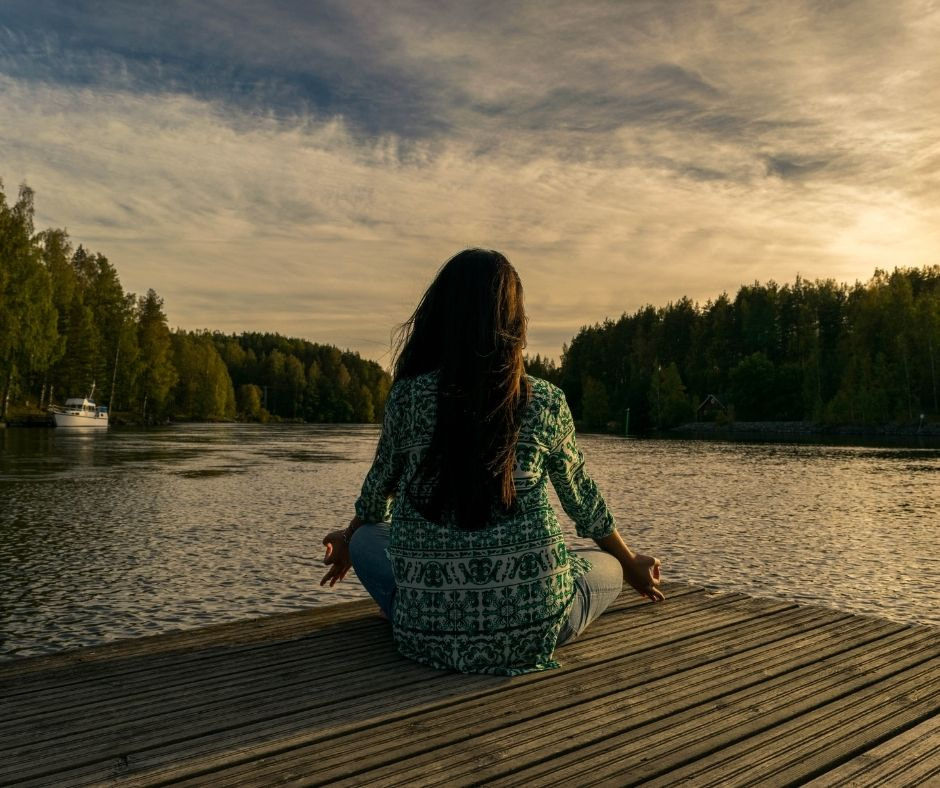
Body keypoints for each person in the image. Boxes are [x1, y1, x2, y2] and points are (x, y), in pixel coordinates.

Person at [321, 249, 663, 675]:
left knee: (368, 538)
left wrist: (349, 538)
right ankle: (498, 606)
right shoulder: (546, 401)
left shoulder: (407, 398)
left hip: (426, 635)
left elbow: (376, 497)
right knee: (606, 564)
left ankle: (419, 610)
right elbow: (584, 504)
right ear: (514, 323)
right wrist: (631, 565)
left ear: (441, 317)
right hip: (536, 627)